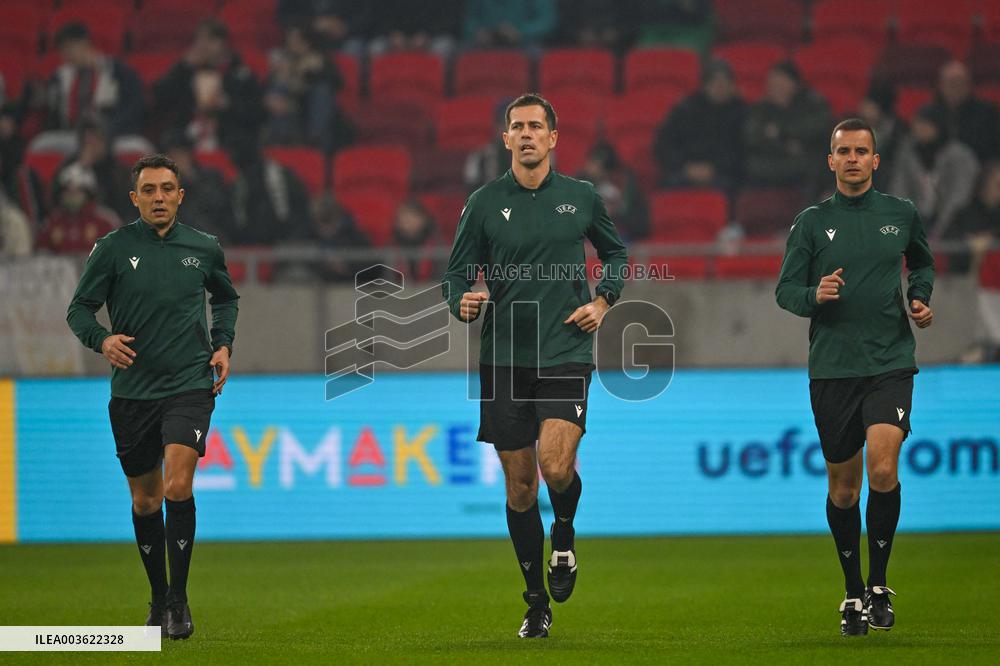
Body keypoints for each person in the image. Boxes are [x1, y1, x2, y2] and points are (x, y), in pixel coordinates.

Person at [442, 93, 628, 638]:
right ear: (506, 139)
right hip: (503, 358)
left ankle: (564, 538)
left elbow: (615, 255)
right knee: (520, 487)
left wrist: (603, 300)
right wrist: (462, 301)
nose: (526, 134)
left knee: (554, 467)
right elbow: (454, 276)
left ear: (552, 137)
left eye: (535, 126)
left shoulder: (581, 197)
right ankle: (534, 602)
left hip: (566, 349)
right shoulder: (482, 203)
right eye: (517, 127)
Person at [66, 155, 239, 640]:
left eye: (167, 189)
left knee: (177, 484)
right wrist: (101, 340)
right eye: (149, 190)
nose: (159, 197)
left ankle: (179, 603)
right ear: (134, 198)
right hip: (133, 393)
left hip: (190, 384)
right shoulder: (113, 250)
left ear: (181, 196)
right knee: (145, 500)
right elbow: (79, 309)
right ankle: (158, 598)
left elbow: (225, 298)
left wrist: (223, 342)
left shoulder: (204, 248)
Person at [775, 118, 935, 637]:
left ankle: (879, 585)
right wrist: (812, 295)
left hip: (889, 362)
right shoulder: (811, 223)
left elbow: (924, 266)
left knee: (883, 469)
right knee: (844, 490)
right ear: (830, 160)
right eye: (842, 151)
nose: (851, 159)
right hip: (833, 369)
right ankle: (851, 591)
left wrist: (920, 298)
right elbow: (785, 291)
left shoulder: (901, 214)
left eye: (861, 151)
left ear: (875, 160)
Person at [153, 20, 264, 153]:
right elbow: (161, 97)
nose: (202, 46)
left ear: (222, 43)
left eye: (209, 40)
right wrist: (182, 67)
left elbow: (256, 111)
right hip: (189, 130)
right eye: (199, 40)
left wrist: (229, 104)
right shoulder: (186, 71)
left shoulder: (242, 74)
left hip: (229, 132)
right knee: (171, 139)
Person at [654, 59, 745, 195]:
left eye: (725, 81)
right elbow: (663, 144)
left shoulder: (741, 112)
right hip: (684, 170)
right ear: (705, 85)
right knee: (668, 188)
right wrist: (686, 167)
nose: (720, 86)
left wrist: (714, 168)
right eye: (715, 81)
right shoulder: (685, 109)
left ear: (732, 85)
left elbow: (741, 150)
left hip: (723, 174)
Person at [890, 105, 979, 239]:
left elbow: (959, 197)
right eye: (917, 123)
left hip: (955, 223)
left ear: (938, 126)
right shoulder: (908, 153)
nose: (919, 129)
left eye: (925, 124)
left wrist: (940, 230)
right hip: (916, 219)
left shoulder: (960, 156)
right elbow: (900, 190)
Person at [744, 61, 832, 194]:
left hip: (804, 160)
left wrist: (781, 132)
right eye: (773, 84)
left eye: (782, 84)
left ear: (795, 84)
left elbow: (819, 127)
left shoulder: (811, 103)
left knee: (816, 164)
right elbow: (752, 137)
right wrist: (784, 145)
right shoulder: (761, 109)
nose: (777, 88)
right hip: (773, 159)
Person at [46, 22, 144, 137]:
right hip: (70, 135)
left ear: (85, 44)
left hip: (112, 133)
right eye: (62, 50)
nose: (66, 54)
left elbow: (133, 107)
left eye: (69, 48)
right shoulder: (60, 77)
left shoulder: (118, 71)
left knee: (136, 147)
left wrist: (108, 129)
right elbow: (53, 113)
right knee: (40, 145)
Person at [923, 60, 1000, 162]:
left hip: (980, 170)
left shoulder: (988, 113)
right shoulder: (927, 115)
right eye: (951, 82)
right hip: (937, 173)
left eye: (960, 82)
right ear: (941, 85)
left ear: (969, 85)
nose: (956, 87)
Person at [37, 162, 120, 254]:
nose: (72, 196)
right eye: (68, 191)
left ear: (88, 194)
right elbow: (41, 256)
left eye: (78, 191)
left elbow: (119, 254)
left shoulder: (105, 221)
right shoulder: (51, 222)